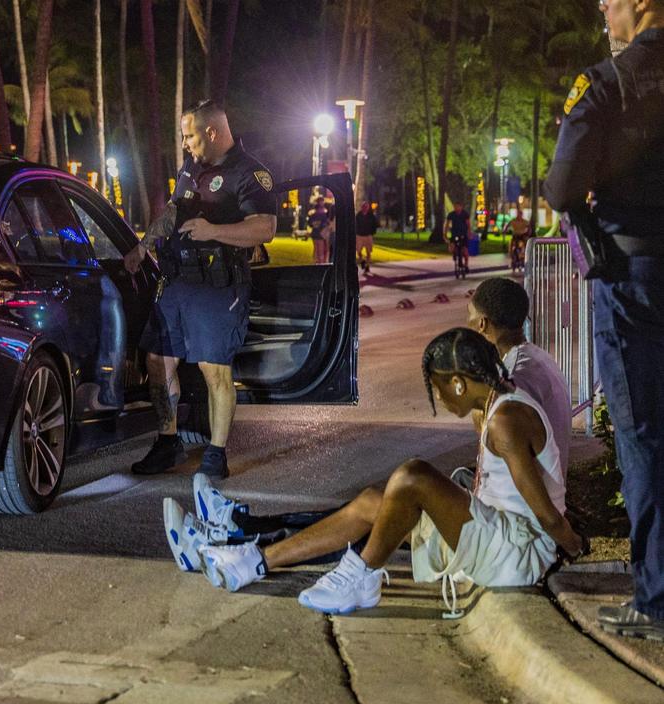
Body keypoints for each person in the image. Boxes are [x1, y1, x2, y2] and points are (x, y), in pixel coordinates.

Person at [163, 328, 586, 617]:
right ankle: (254, 561)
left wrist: (575, 547)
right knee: (371, 501)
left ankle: (361, 575)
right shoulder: (498, 404)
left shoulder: (506, 420)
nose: (438, 399)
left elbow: (545, 514)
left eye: (438, 389)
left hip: (517, 552)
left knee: (415, 475)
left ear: (459, 383)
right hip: (497, 535)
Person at [544, 0, 664, 642]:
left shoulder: (608, 82)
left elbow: (563, 191)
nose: (601, 7)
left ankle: (657, 597)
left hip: (633, 280)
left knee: (643, 435)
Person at [123, 99, 277, 479]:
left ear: (211, 132)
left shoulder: (249, 173)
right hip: (177, 281)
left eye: (189, 136)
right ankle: (167, 441)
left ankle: (215, 454)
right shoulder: (193, 166)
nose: (186, 144)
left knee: (214, 371)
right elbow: (175, 209)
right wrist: (143, 245)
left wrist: (214, 232)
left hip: (218, 286)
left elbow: (265, 228)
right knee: (157, 362)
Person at [467, 277, 571, 480]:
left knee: (414, 480)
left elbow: (500, 462)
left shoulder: (511, 379)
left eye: (469, 315)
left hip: (526, 502)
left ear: (482, 324)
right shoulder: (537, 358)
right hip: (548, 486)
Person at [445, 201, 471, 272]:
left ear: (461, 207)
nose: (456, 208)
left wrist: (469, 233)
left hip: (463, 234)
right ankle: (455, 254)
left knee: (465, 251)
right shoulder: (451, 214)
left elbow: (468, 224)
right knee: (452, 247)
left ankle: (466, 265)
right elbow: (447, 224)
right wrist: (445, 234)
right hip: (454, 234)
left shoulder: (465, 214)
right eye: (455, 207)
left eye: (458, 207)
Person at [355, 200, 378, 274]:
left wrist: (373, 232)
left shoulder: (371, 216)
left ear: (368, 208)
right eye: (363, 206)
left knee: (368, 252)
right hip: (359, 235)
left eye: (366, 206)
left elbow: (375, 224)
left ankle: (367, 266)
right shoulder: (358, 215)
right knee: (358, 251)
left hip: (368, 235)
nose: (364, 208)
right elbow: (355, 224)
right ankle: (362, 261)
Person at [308, 195, 331, 264]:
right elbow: (326, 223)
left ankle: (315, 263)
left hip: (315, 233)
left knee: (316, 249)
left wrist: (315, 224)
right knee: (321, 250)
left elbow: (310, 223)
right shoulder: (324, 214)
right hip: (321, 234)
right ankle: (320, 264)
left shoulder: (313, 214)